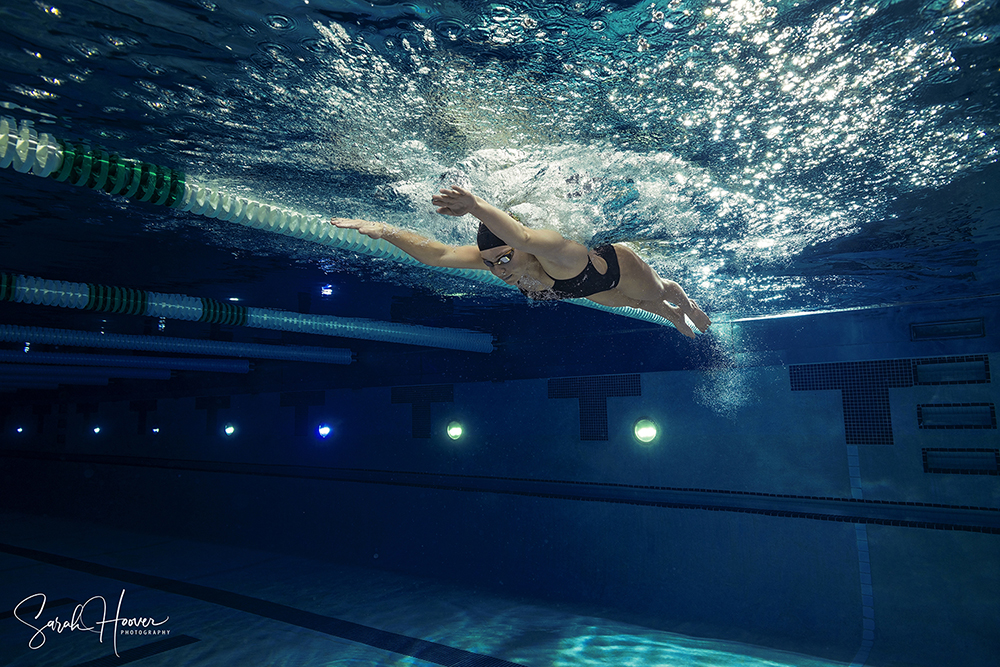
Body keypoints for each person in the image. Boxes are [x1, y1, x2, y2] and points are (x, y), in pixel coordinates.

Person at [330, 186, 711, 338]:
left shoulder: (559, 253)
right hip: (588, 291)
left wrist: (476, 206)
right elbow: (440, 254)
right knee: (637, 304)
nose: (499, 270)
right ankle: (672, 314)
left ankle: (683, 302)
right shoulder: (503, 261)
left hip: (614, 269)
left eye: (504, 258)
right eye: (491, 262)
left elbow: (522, 237)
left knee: (658, 292)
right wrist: (385, 230)